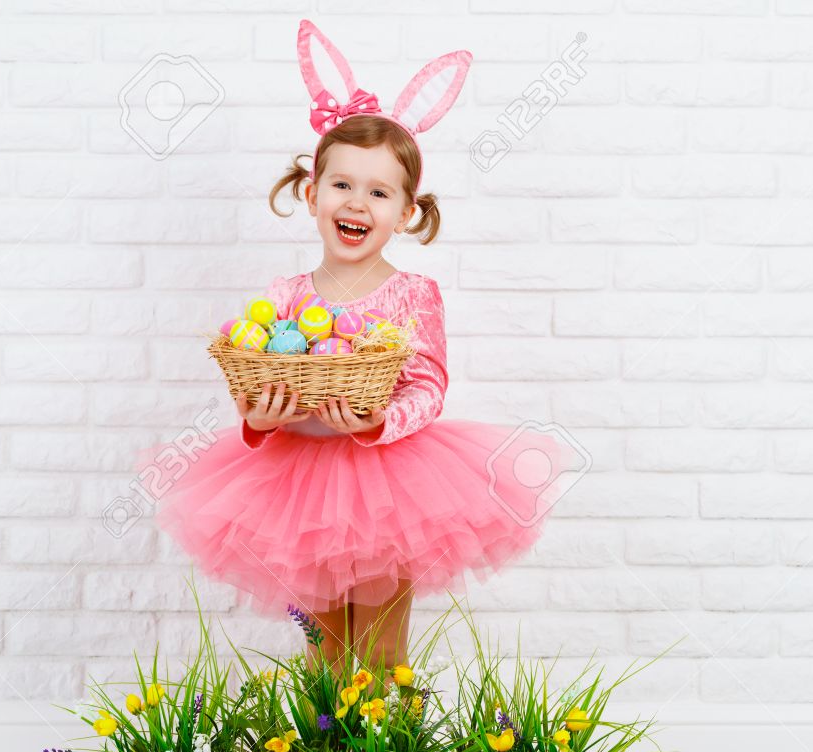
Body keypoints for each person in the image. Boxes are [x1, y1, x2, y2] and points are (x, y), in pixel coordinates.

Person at [135, 20, 570, 684]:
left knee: (382, 652)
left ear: (406, 213)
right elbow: (258, 386)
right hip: (297, 481)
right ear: (312, 195)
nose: (358, 202)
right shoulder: (284, 296)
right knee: (323, 654)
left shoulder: (412, 293)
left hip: (389, 484)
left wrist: (379, 422)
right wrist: (262, 415)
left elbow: (427, 383)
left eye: (379, 191)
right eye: (342, 185)